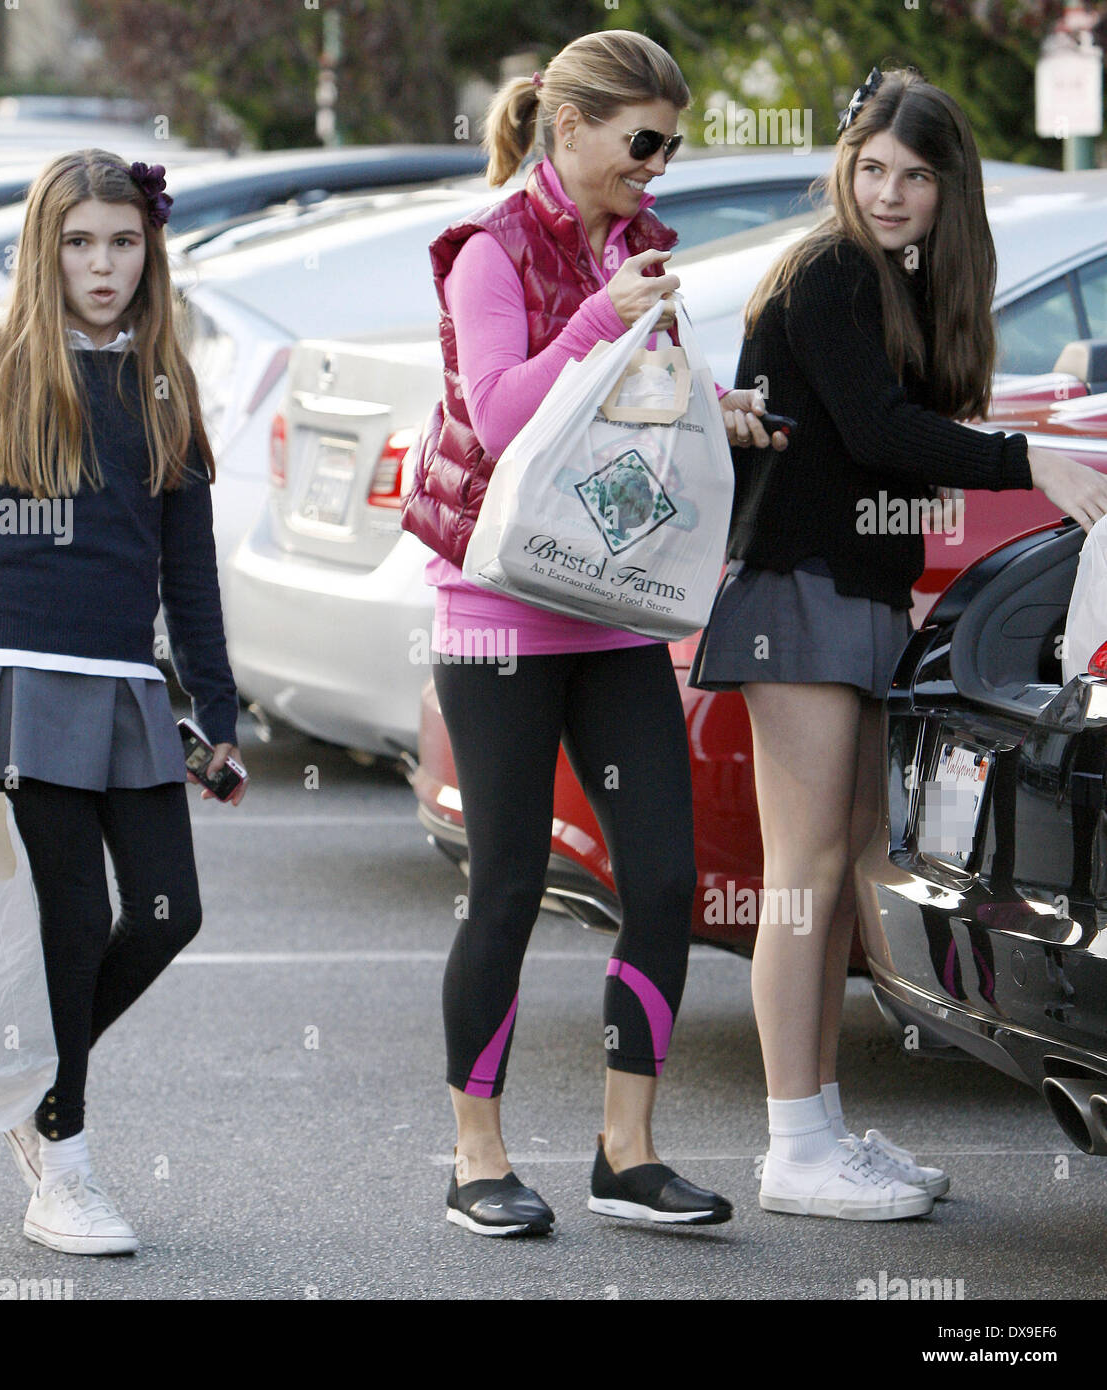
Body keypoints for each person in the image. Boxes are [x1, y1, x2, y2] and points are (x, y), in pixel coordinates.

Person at [691, 67, 1107, 1219]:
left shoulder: (902, 288)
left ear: (946, 189)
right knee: (802, 880)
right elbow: (879, 430)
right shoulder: (829, 270)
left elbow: (889, 441)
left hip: (854, 598)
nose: (886, 194)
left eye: (913, 177)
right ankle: (791, 1148)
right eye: (871, 169)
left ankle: (816, 1129)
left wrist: (1008, 429)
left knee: (842, 873)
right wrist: (1029, 458)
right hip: (798, 596)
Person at [402, 30, 783, 1237]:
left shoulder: (639, 247)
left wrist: (715, 412)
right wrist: (595, 321)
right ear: (567, 129)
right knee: (508, 886)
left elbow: (624, 407)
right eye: (643, 142)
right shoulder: (489, 249)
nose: (659, 166)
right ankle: (476, 1155)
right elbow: (504, 413)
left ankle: (627, 1149)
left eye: (672, 143)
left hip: (613, 607)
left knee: (664, 877)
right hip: (502, 613)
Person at [0, 149, 245, 1255]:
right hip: (14, 683)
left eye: (123, 242)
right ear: (45, 250)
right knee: (76, 922)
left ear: (151, 250)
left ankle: (24, 1074)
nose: (102, 264)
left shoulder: (166, 379)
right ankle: (65, 1161)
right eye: (79, 242)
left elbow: (189, 573)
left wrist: (218, 714)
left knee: (169, 913)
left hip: (129, 692)